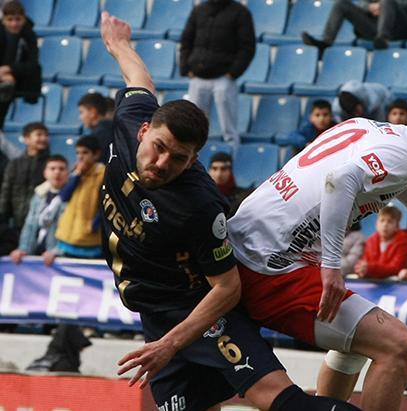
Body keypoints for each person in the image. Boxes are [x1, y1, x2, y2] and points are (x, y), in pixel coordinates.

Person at [100, 12, 359, 411]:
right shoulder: (129, 118)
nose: (162, 162)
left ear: (192, 161)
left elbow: (227, 287)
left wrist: (170, 344)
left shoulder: (199, 205)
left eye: (178, 158)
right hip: (156, 314)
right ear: (143, 130)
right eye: (160, 147)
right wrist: (120, 45)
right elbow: (140, 82)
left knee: (279, 401)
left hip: (200, 311)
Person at [227, 111, 407, 410]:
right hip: (270, 265)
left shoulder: (368, 129)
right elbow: (339, 180)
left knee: (357, 344)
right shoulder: (406, 158)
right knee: (397, 345)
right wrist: (332, 266)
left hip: (248, 243)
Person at [180, 0, 256, 149]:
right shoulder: (199, 9)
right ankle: (192, 156)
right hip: (198, 77)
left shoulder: (240, 12)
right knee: (193, 125)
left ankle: (232, 155)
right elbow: (186, 39)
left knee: (229, 128)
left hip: (224, 78)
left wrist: (233, 73)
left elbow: (247, 46)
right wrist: (186, 68)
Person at [45, 136, 105, 263]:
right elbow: (64, 196)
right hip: (67, 237)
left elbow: (105, 204)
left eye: (85, 152)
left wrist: (94, 225)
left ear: (96, 154)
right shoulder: (76, 174)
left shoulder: (103, 175)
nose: (80, 157)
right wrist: (76, 175)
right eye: (78, 153)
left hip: (89, 241)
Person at [301, 0, 407, 51]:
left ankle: (382, 38)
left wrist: (384, 4)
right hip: (376, 26)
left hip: (404, 29)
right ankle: (326, 42)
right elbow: (362, 3)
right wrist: (369, 7)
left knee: (387, 2)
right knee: (341, 4)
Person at [9, 155, 68, 264]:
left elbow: (71, 230)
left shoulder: (73, 196)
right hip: (36, 252)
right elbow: (30, 225)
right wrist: (23, 249)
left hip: (59, 256)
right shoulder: (39, 195)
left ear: (67, 173)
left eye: (61, 169)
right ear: (45, 173)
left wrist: (57, 252)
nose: (57, 172)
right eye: (52, 168)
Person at [0, 122, 49, 232]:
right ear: (26, 139)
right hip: (16, 220)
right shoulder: (15, 163)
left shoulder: (50, 164)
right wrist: (3, 215)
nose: (44, 138)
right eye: (39, 135)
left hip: (41, 221)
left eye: (46, 135)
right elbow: (6, 191)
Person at [0, 1, 40, 128]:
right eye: (10, 20)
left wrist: (9, 69)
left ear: (24, 18)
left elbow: (33, 64)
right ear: (3, 20)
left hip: (18, 80)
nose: (14, 24)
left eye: (18, 19)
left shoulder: (29, 35)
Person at [354, 205, 407, 279]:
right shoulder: (370, 241)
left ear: (397, 226)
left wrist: (370, 269)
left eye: (390, 222)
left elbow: (396, 268)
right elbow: (364, 263)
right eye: (382, 220)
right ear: (376, 224)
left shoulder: (404, 242)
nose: (385, 225)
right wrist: (360, 269)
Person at [208, 152, 252, 217]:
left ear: (230, 171)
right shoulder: (202, 195)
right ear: (209, 171)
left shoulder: (242, 198)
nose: (218, 174)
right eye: (214, 169)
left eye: (223, 169)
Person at [78, 92, 114, 162]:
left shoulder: (98, 136)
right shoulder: (116, 128)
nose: (80, 117)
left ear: (92, 112)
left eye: (81, 112)